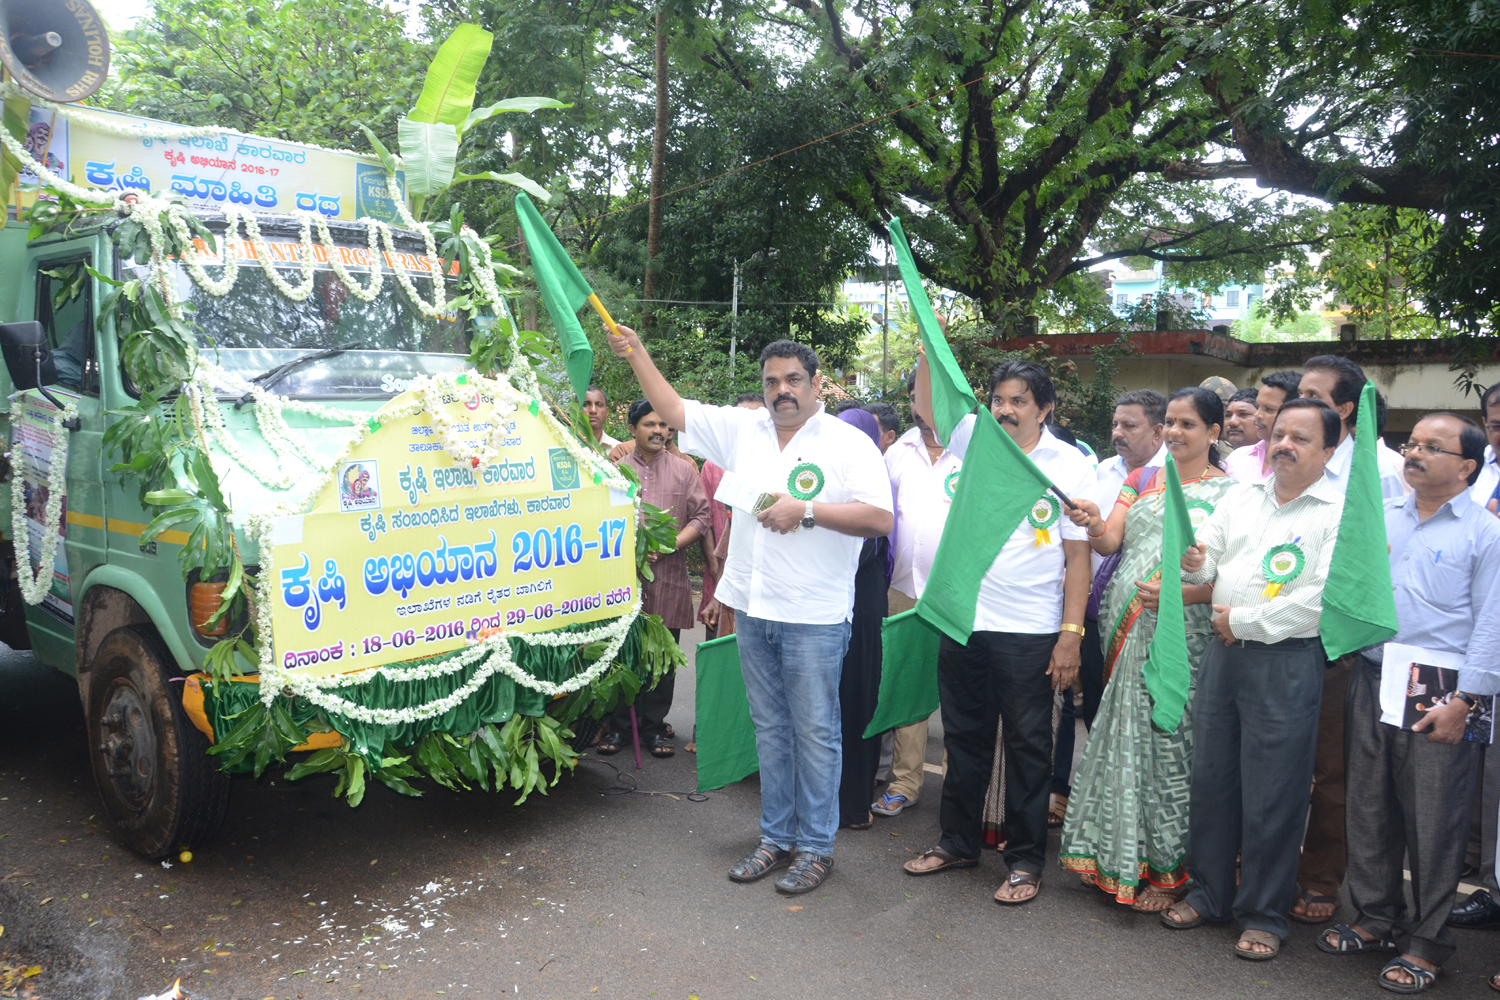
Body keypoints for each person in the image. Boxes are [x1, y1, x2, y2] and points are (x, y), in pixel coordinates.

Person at [607, 326, 893, 895]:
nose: (782, 390)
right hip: (754, 608)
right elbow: (671, 407)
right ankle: (775, 837)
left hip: (813, 613)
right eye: (771, 381)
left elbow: (879, 519)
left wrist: (806, 510)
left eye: (793, 380)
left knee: (815, 732)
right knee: (770, 728)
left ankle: (816, 848)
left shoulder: (847, 442)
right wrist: (637, 351)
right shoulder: (744, 430)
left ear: (815, 386)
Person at [903, 360, 1095, 906]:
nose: (1006, 410)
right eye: (999, 400)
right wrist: (924, 347)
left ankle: (1026, 861)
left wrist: (1070, 634)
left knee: (1029, 747)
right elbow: (931, 404)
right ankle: (957, 843)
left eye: (1018, 401)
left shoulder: (1068, 466)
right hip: (965, 621)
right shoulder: (977, 442)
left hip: (1031, 631)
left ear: (1045, 408)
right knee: (963, 739)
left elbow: (1077, 560)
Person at [1319, 413, 1500, 992]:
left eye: (1432, 446)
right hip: (1374, 673)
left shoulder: (1486, 534)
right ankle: (1374, 917)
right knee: (1368, 806)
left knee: (1434, 820)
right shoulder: (1384, 517)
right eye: (1412, 443)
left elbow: (1493, 623)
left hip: (1442, 687)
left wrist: (1467, 700)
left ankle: (1426, 942)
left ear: (1468, 466)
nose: (1414, 453)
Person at [1159, 398, 1345, 960]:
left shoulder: (1338, 513)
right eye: (1280, 433)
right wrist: (1198, 564)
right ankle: (1211, 892)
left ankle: (1264, 914)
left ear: (1329, 451)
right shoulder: (1244, 495)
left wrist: (1244, 620)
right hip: (1226, 655)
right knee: (1213, 778)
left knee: (1274, 793)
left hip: (1286, 661)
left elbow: (1324, 599)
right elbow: (1212, 559)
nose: (1284, 444)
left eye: (1302, 438)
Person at [1058, 387, 1235, 910]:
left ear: (1214, 433)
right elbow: (1111, 542)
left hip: (1188, 628)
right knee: (1121, 735)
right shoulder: (1140, 480)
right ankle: (1115, 853)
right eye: (1171, 424)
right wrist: (1091, 522)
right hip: (1126, 621)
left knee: (1173, 743)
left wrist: (1187, 592)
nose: (1176, 433)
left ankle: (1168, 870)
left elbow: (1226, 569)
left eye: (1188, 425)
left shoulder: (1235, 494)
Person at [1291, 354, 1405, 924]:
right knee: (1283, 758)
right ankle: (1270, 864)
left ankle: (1319, 879)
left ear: (1344, 408)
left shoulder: (1383, 472)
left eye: (1312, 394)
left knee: (1332, 771)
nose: (1299, 400)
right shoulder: (1287, 458)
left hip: (1339, 642)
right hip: (1282, 633)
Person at [1049, 389, 1168, 828]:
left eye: (1129, 426)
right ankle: (1094, 811)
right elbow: (1092, 541)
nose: (1117, 433)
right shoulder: (1100, 472)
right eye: (1115, 424)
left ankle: (1142, 820)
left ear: (1159, 430)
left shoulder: (1178, 477)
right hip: (1098, 612)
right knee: (1098, 715)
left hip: (1151, 620)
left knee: (1145, 723)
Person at [596, 399, 710, 759]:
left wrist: (670, 543)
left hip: (668, 578)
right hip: (622, 579)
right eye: (649, 424)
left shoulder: (684, 470)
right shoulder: (612, 470)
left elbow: (701, 517)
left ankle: (654, 727)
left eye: (664, 425)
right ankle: (617, 727)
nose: (659, 430)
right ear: (632, 429)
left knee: (663, 656)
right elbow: (594, 517)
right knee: (621, 653)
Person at [873, 368, 962, 820]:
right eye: (916, 396)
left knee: (958, 690)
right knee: (908, 685)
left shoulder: (974, 450)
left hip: (960, 594)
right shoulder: (898, 452)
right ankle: (905, 782)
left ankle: (958, 785)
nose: (922, 405)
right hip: (902, 590)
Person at [834, 408, 892, 830]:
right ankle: (818, 802)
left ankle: (854, 803)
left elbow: (870, 549)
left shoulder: (877, 490)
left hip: (862, 611)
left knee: (858, 702)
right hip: (821, 611)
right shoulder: (824, 483)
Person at [698, 393, 767, 641]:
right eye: (742, 416)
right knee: (718, 639)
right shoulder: (712, 465)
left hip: (763, 575)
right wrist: (715, 565)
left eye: (756, 416)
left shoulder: (778, 464)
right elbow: (703, 519)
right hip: (720, 565)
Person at [1225, 371, 1301, 484]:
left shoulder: (1307, 465)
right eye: (1259, 406)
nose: (1257, 415)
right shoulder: (1237, 458)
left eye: (1269, 409)